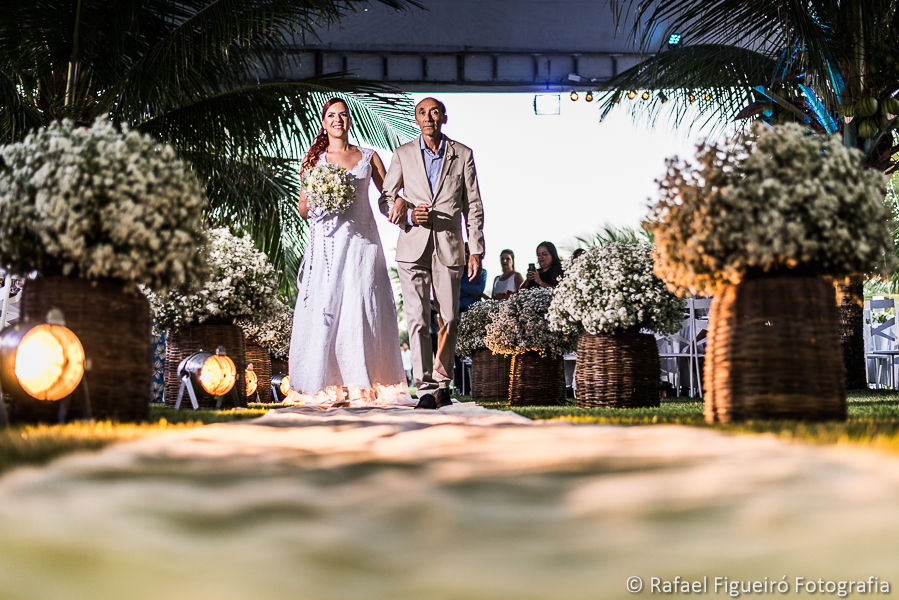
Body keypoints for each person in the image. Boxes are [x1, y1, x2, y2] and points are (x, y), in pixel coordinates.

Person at [287, 97, 415, 408]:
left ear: (349, 121)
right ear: (324, 121)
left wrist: (400, 209)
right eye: (332, 115)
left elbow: (387, 200)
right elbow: (303, 208)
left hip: (362, 244)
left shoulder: (368, 157)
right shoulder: (313, 162)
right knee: (326, 309)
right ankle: (327, 385)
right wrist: (321, 197)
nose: (338, 120)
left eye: (343, 115)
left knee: (361, 307)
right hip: (328, 245)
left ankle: (361, 385)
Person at [380, 97, 485, 410]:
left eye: (434, 112)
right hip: (412, 247)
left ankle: (442, 382)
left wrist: (476, 248)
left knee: (449, 317)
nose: (428, 118)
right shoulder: (402, 154)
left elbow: (474, 205)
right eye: (422, 113)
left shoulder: (463, 154)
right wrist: (410, 215)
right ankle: (425, 389)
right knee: (417, 319)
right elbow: (385, 200)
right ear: (416, 120)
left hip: (450, 248)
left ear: (444, 118)